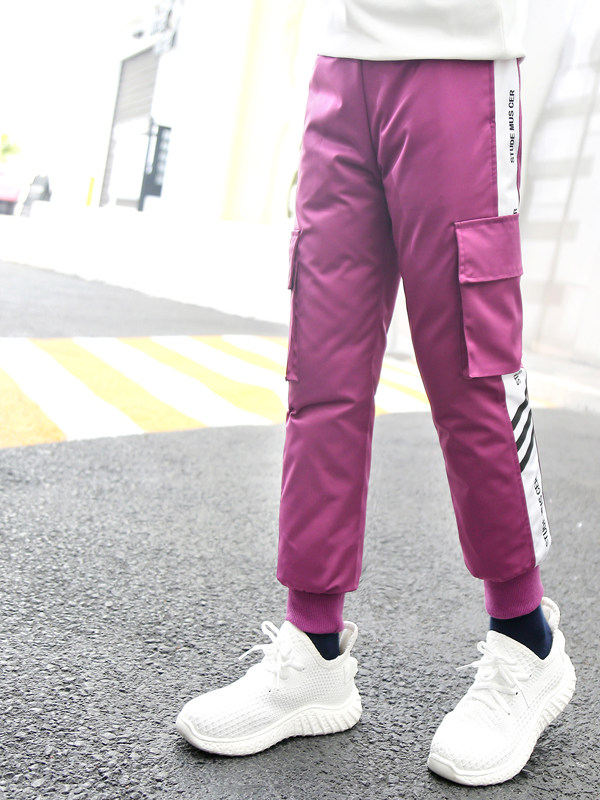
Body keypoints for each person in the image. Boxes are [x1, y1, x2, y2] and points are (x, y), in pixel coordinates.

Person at [176, 0, 576, 785]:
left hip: (458, 57)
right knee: (321, 371)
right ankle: (314, 648)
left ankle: (526, 642)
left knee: (472, 365)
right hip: (342, 61)